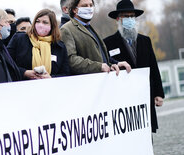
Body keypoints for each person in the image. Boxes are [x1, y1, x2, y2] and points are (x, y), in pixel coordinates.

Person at [103, 0, 164, 133]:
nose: (130, 19)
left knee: (147, 133)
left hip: (145, 96)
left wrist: (159, 93)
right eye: (126, 16)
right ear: (118, 19)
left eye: (132, 16)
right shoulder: (108, 43)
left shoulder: (145, 41)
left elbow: (154, 68)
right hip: (123, 100)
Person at [60, 0, 131, 75]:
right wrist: (98, 67)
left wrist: (113, 64)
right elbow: (71, 60)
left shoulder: (89, 27)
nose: (89, 8)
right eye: (85, 6)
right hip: (84, 82)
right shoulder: (67, 29)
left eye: (91, 5)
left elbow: (99, 57)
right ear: (74, 9)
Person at [8, 9, 70, 79]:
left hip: (49, 87)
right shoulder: (20, 39)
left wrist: (51, 78)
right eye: (37, 21)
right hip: (22, 86)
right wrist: (24, 72)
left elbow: (65, 73)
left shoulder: (59, 46)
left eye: (45, 22)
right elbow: (7, 64)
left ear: (52, 26)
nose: (40, 25)